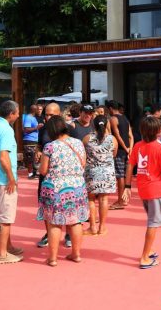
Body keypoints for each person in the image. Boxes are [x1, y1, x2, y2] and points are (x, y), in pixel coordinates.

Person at [123, 116, 161, 269]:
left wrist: (127, 186)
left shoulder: (138, 146)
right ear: (157, 131)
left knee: (152, 220)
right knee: (153, 223)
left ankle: (149, 250)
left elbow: (130, 166)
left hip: (143, 188)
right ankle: (144, 257)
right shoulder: (160, 148)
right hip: (154, 189)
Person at [37, 115, 88, 266]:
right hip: (77, 187)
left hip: (56, 188)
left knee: (54, 223)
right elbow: (83, 163)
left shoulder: (50, 146)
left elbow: (43, 170)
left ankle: (52, 259)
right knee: (76, 221)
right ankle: (76, 254)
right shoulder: (78, 143)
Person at [0, 100, 24, 264]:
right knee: (5, 218)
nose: (18, 115)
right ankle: (2, 254)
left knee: (3, 214)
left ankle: (7, 246)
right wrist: (11, 178)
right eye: (17, 112)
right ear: (11, 114)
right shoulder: (6, 130)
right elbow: (3, 157)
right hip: (3, 179)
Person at [35, 103, 70, 248]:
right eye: (46, 114)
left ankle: (69, 234)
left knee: (68, 205)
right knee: (45, 205)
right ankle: (48, 233)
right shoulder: (43, 129)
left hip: (64, 177)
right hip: (46, 176)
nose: (48, 117)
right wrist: (38, 151)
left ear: (59, 114)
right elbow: (39, 145)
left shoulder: (68, 130)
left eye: (51, 115)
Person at [83, 115, 118, 236]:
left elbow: (83, 155)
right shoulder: (112, 139)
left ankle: (92, 227)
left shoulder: (87, 138)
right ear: (107, 124)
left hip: (92, 171)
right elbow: (114, 154)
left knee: (91, 199)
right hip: (107, 172)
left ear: (94, 124)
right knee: (104, 199)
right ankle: (102, 227)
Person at [109, 100, 134, 210]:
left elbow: (117, 136)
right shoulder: (124, 118)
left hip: (119, 151)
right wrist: (130, 149)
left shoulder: (113, 119)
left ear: (110, 108)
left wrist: (125, 148)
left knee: (120, 176)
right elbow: (131, 136)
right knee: (125, 175)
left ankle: (121, 200)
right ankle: (123, 200)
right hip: (128, 151)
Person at [23, 105, 42, 179]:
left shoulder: (34, 118)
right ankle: (30, 174)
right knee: (30, 157)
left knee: (34, 157)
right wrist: (36, 127)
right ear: (34, 110)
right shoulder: (28, 118)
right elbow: (26, 129)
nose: (39, 111)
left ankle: (34, 173)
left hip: (34, 140)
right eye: (38, 109)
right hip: (29, 140)